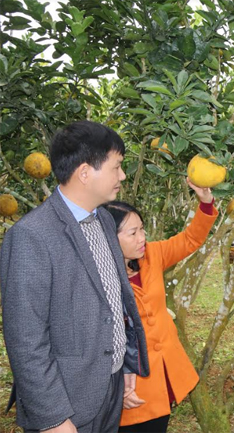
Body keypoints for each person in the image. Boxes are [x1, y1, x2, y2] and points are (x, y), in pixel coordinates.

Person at [0, 120, 149, 433]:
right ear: (85, 172)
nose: (122, 176)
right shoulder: (32, 236)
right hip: (67, 400)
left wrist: (122, 362)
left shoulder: (105, 221)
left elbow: (111, 300)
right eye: (117, 167)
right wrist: (52, 417)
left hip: (108, 388)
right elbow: (25, 338)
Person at [103, 178, 219, 433]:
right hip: (131, 384)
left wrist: (206, 203)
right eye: (133, 233)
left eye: (142, 229)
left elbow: (190, 240)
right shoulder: (99, 279)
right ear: (109, 239)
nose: (142, 237)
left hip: (162, 373)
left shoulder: (152, 256)